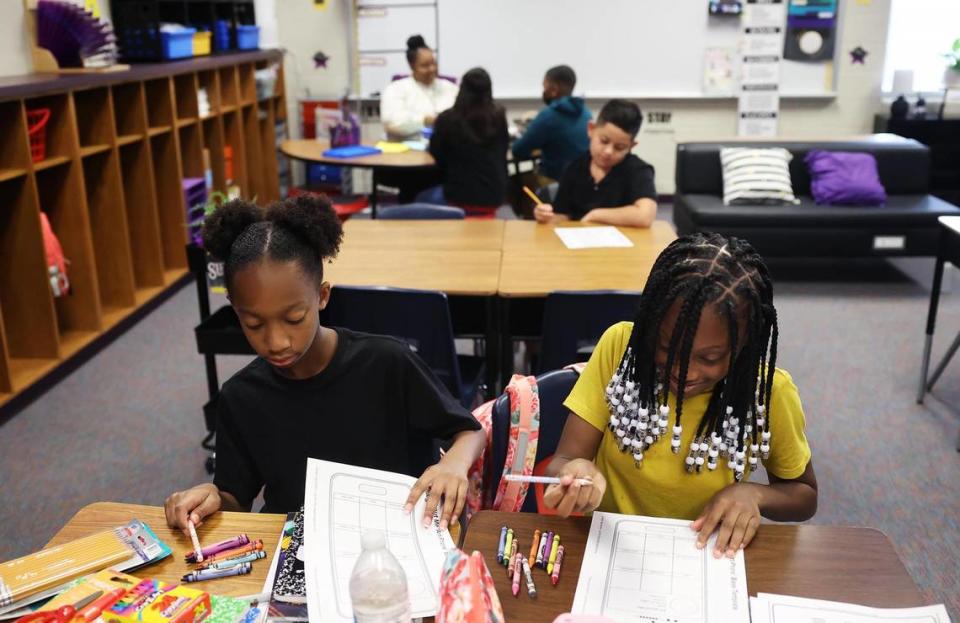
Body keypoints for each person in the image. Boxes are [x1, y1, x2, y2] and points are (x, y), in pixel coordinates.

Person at [164, 195, 485, 534]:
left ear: (322, 296)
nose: (276, 342)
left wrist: (454, 463)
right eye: (254, 324)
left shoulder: (387, 363)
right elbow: (236, 499)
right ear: (234, 308)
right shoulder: (242, 396)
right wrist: (209, 496)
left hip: (396, 537)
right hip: (299, 548)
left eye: (294, 318)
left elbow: (470, 431)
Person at [542, 233, 818, 559]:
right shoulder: (621, 349)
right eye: (665, 347)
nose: (683, 371)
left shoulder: (767, 392)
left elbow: (804, 496)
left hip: (705, 556)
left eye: (709, 358)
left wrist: (753, 495)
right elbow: (562, 461)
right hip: (609, 550)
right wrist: (576, 471)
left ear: (745, 348)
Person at [534, 99, 657, 228]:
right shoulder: (574, 168)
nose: (608, 151)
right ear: (591, 129)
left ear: (631, 146)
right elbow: (562, 215)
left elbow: (645, 215)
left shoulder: (638, 170)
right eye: (604, 141)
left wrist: (596, 215)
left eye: (619, 147)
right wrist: (545, 216)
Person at [429, 67, 509, 218]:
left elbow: (437, 155)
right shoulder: (499, 117)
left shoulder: (447, 119)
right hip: (493, 194)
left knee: (420, 196)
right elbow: (503, 151)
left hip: (457, 194)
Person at [511, 65, 591, 182]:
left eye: (545, 86)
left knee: (517, 181)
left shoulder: (548, 116)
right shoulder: (586, 113)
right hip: (583, 180)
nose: (543, 91)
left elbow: (518, 150)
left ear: (553, 90)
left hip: (555, 182)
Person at [380, 35, 459, 141]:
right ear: (412, 66)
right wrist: (427, 120)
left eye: (433, 63)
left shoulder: (451, 88)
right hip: (407, 151)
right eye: (425, 65)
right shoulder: (395, 89)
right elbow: (391, 122)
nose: (432, 69)